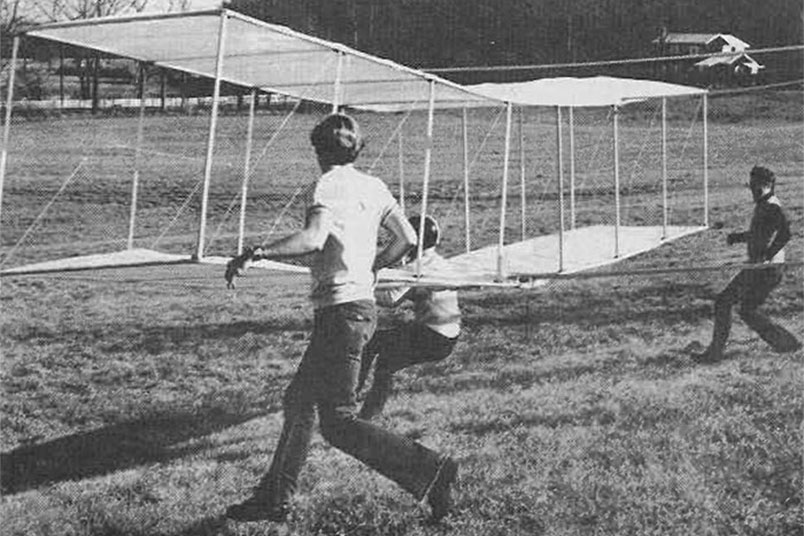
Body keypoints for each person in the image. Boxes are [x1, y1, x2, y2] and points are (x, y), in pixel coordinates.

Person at [223, 113, 458, 523]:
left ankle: (433, 470)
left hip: (341, 315)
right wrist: (372, 268)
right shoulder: (374, 185)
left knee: (338, 423)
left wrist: (257, 252)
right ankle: (274, 498)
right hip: (356, 310)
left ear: (320, 150)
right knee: (299, 401)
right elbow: (407, 239)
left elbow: (313, 238)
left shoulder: (327, 183)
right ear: (356, 149)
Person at [357, 215, 461, 420]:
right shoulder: (440, 263)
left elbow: (391, 300)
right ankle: (363, 406)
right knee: (378, 345)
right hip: (447, 333)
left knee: (382, 357)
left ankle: (363, 410)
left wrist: (362, 290)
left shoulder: (417, 269)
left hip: (433, 337)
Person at [694, 165, 801, 363]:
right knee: (745, 310)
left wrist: (768, 254)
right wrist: (738, 237)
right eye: (751, 186)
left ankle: (715, 353)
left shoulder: (772, 206)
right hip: (762, 268)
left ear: (767, 185)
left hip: (766, 270)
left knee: (726, 302)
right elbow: (760, 234)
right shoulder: (764, 204)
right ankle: (787, 344)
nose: (752, 191)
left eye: (756, 187)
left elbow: (786, 232)